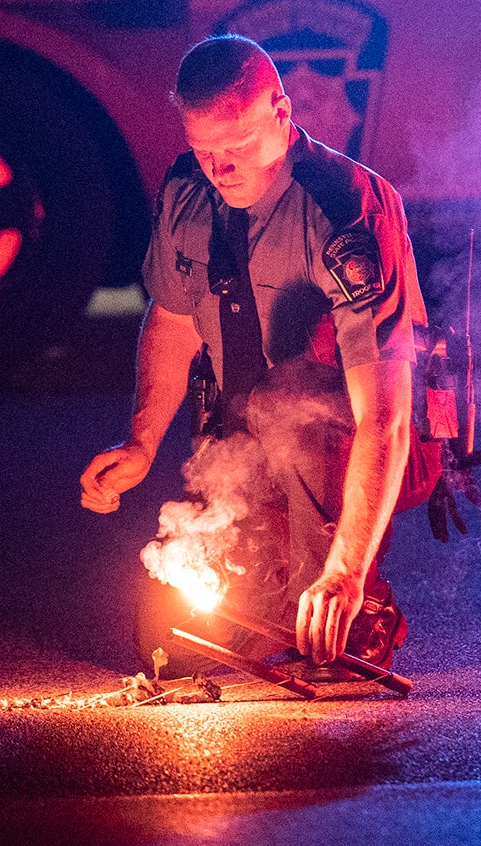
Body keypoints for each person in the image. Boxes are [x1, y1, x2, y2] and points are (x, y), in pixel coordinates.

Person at [78, 34, 428, 675]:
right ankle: (274, 587)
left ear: (282, 111)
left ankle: (350, 601)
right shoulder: (187, 192)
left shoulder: (344, 212)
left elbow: (388, 418)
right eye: (203, 149)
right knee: (174, 639)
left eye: (236, 147)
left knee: (285, 404)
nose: (221, 169)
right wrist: (142, 441)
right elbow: (174, 319)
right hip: (239, 443)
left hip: (350, 437)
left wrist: (345, 573)